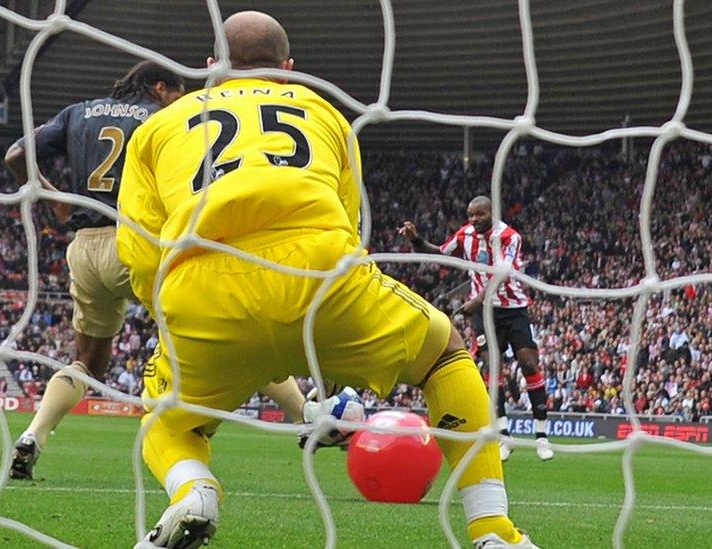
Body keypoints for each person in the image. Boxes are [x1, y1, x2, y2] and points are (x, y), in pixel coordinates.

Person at [117, 12, 537, 549]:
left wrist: (172, 313)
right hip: (319, 278)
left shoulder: (159, 127)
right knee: (445, 356)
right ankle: (492, 529)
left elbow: (139, 248)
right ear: (289, 71)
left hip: (203, 289)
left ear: (211, 68)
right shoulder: (325, 113)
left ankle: (194, 491)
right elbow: (348, 220)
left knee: (165, 422)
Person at [4, 61, 309, 480]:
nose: (181, 101)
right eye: (177, 92)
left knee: (87, 363)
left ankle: (33, 435)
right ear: (159, 87)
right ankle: (306, 418)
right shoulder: (166, 119)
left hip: (85, 248)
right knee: (233, 328)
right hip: (138, 243)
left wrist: (53, 199)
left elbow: (16, 154)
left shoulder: (78, 113)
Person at [399, 196, 554, 462]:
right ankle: (504, 436)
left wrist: (477, 299)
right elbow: (440, 253)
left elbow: (502, 273)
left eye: (479, 215)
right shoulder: (465, 235)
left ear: (491, 213)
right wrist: (415, 239)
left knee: (528, 363)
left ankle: (541, 436)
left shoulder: (509, 237)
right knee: (489, 366)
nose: (473, 220)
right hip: (484, 313)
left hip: (513, 309)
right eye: (470, 215)